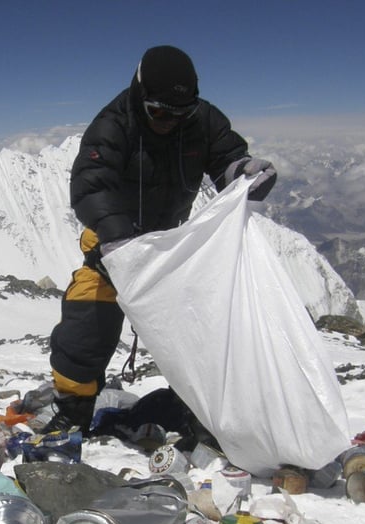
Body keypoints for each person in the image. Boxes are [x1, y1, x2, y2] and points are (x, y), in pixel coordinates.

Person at [42, 45, 278, 434]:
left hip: (172, 250)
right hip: (111, 251)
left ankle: (203, 411)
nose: (169, 121)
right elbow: (89, 186)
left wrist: (244, 172)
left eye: (180, 113)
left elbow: (226, 158)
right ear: (139, 95)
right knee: (86, 327)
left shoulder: (202, 121)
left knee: (204, 331)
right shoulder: (113, 125)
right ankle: (73, 410)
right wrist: (118, 241)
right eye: (159, 111)